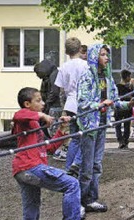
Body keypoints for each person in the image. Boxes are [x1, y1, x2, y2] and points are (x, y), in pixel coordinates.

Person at [12, 87, 95, 220]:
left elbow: (49, 149)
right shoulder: (24, 120)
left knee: (30, 218)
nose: (43, 103)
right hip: (30, 167)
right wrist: (40, 115)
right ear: (28, 104)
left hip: (26, 171)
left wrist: (61, 130)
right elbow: (18, 115)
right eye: (39, 100)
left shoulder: (36, 126)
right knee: (72, 184)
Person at [77, 44, 134, 213]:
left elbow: (116, 103)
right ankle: (80, 203)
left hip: (103, 124)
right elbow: (82, 103)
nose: (106, 58)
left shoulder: (109, 78)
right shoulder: (86, 76)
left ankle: (91, 199)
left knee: (97, 165)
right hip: (89, 126)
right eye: (103, 54)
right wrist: (100, 104)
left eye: (107, 55)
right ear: (94, 57)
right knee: (86, 166)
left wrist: (129, 104)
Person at [55, 37, 89, 175]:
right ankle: (78, 165)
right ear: (80, 48)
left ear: (66, 51)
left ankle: (69, 167)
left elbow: (61, 88)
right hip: (84, 103)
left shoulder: (63, 66)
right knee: (86, 136)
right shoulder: (86, 65)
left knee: (74, 137)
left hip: (70, 103)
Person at [33, 58, 62, 142]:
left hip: (54, 106)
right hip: (50, 105)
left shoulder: (53, 75)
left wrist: (46, 103)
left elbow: (54, 92)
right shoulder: (49, 76)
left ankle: (53, 145)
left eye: (38, 73)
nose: (38, 76)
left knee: (53, 128)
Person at [114, 69, 134, 149]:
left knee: (118, 126)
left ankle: (121, 141)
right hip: (126, 108)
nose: (130, 78)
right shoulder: (127, 87)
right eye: (129, 76)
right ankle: (124, 141)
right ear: (126, 77)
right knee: (126, 126)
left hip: (119, 109)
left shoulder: (117, 86)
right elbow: (133, 96)